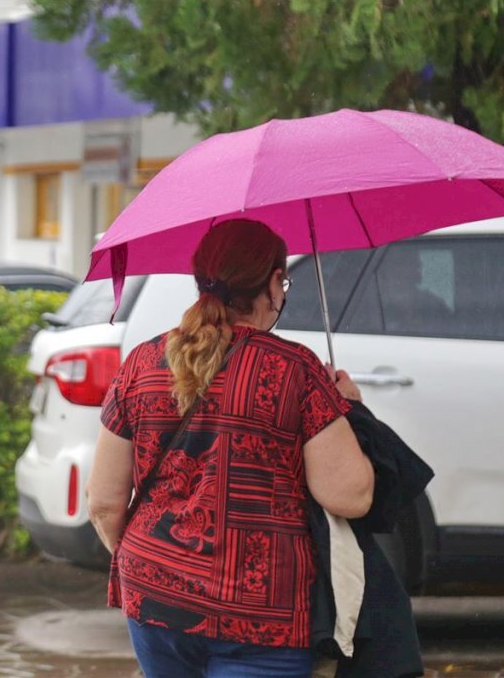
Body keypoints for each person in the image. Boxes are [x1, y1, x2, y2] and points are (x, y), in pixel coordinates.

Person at [87, 218, 375, 678]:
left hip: (154, 598)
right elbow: (350, 496)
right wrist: (350, 411)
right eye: (284, 281)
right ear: (271, 286)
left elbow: (103, 503)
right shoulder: (295, 370)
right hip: (261, 614)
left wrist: (151, 568)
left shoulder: (141, 362)